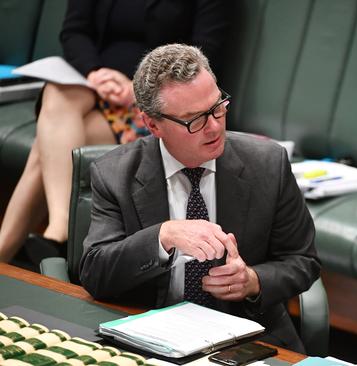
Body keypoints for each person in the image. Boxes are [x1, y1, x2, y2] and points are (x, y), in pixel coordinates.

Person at [78, 44, 320, 353]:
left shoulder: (268, 164)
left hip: (246, 340)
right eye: (195, 119)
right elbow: (95, 273)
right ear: (153, 125)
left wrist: (252, 280)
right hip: (150, 337)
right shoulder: (115, 174)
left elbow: (303, 260)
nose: (215, 126)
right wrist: (162, 236)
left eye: (217, 106)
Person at [0, 0, 230, 266]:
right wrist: (95, 73)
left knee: (48, 147)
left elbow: (205, 51)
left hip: (152, 102)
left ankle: (12, 252)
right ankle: (62, 229)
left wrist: (138, 88)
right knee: (56, 94)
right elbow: (74, 31)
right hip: (92, 82)